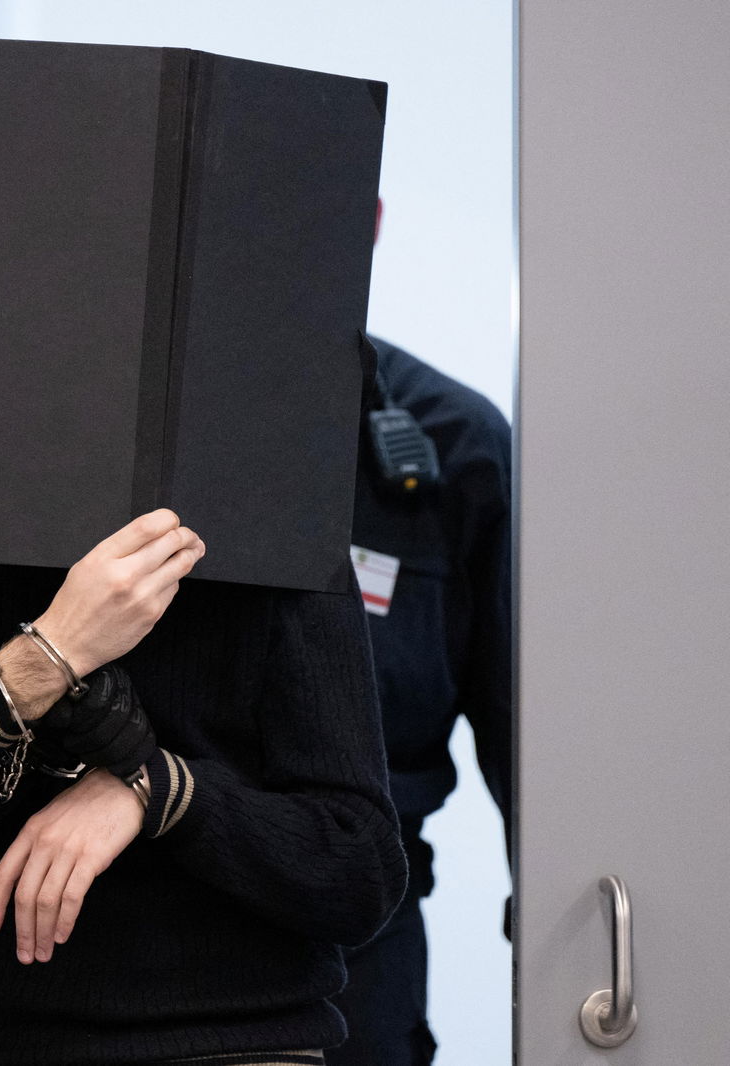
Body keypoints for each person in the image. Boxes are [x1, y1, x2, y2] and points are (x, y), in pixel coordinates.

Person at [0, 503, 409, 1063]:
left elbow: (360, 869)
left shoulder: (278, 515)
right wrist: (51, 653)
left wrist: (154, 790)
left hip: (240, 1040)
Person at [327, 334, 512, 1066]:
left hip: (361, 932)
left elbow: (516, 721)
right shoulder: (124, 403)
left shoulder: (457, 439)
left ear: (369, 219)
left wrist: (557, 933)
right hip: (121, 907)